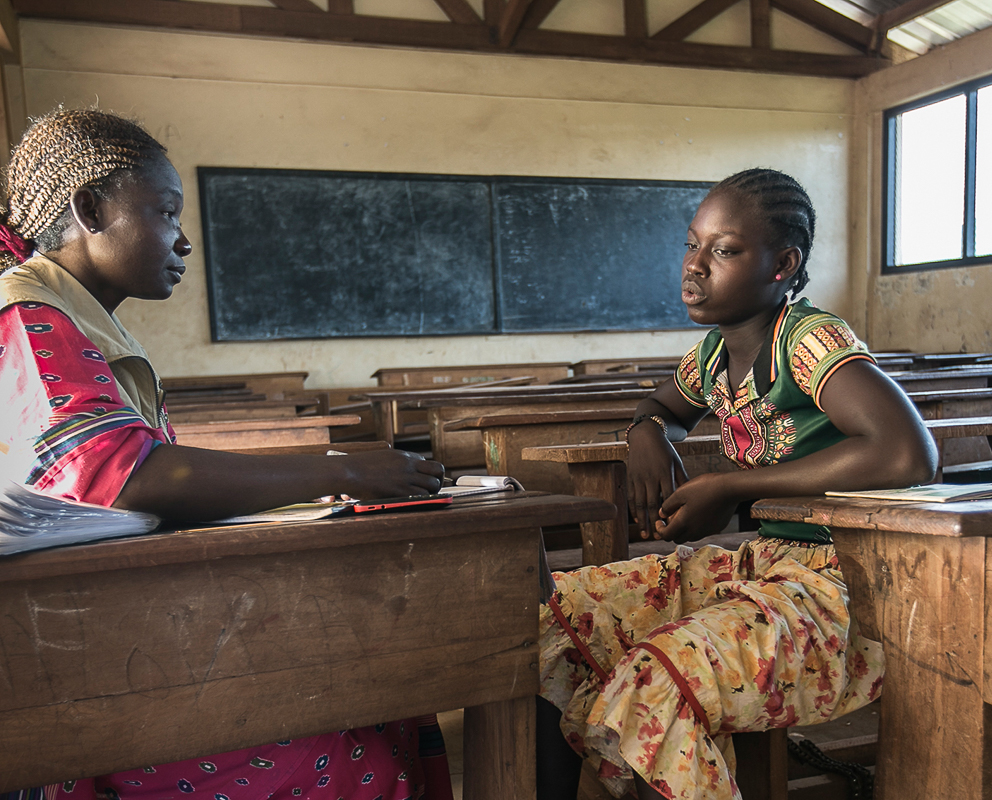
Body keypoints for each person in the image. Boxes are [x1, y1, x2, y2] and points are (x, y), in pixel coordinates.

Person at [0, 109, 452, 800]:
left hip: (108, 635)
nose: (183, 241)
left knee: (378, 695)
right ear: (89, 209)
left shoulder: (72, 317)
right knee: (352, 732)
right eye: (165, 212)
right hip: (69, 674)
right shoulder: (30, 315)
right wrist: (344, 467)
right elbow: (122, 474)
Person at [536, 168, 938, 800]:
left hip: (846, 585)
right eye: (692, 244)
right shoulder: (713, 356)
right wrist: (648, 432)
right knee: (554, 619)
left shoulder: (806, 339)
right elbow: (659, 407)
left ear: (782, 263)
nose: (695, 266)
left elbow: (907, 454)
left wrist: (730, 487)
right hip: (767, 566)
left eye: (723, 251)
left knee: (657, 680)